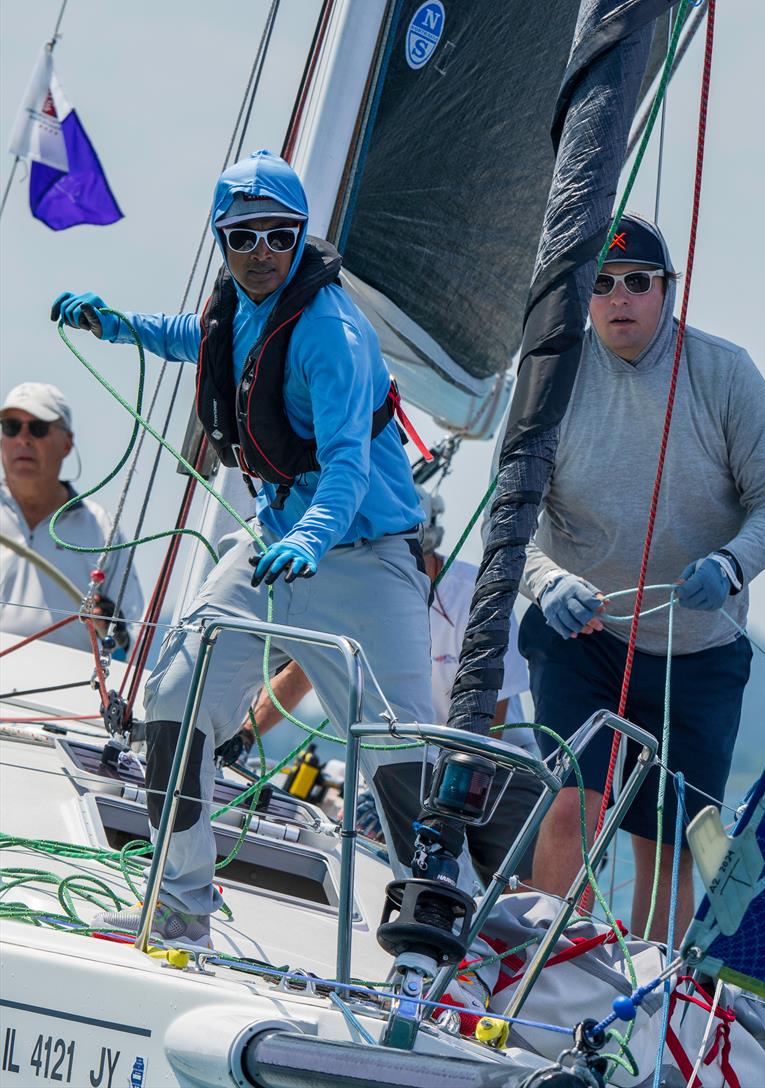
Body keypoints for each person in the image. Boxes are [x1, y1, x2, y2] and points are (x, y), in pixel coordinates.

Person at [52, 149, 436, 946]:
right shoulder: (238, 303)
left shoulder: (332, 333)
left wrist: (309, 538)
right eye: (244, 237)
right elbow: (199, 339)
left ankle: (439, 950)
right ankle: (182, 904)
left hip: (364, 558)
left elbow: (345, 470)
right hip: (272, 544)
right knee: (171, 699)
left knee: (404, 751)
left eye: (280, 235)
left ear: (302, 236)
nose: (262, 252)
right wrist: (117, 325)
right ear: (222, 239)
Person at [517, 215, 765, 941]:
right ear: (585, 296)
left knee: (670, 845)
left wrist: (732, 564)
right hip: (585, 635)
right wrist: (548, 584)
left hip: (700, 649)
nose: (620, 298)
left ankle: (633, 1015)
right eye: (603, 284)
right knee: (573, 808)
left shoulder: (725, 372)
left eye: (638, 282)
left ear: (667, 291)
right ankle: (538, 981)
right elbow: (508, 522)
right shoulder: (551, 376)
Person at [218, 488, 540, 889]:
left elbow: (493, 717)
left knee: (516, 901)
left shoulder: (476, 593)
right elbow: (301, 673)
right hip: (416, 767)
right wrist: (244, 736)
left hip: (495, 772)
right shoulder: (364, 592)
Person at [0, 381, 143, 654]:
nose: (23, 438)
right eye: (11, 427)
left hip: (61, 694)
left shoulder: (101, 529)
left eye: (39, 428)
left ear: (67, 444)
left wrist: (117, 629)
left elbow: (135, 637)